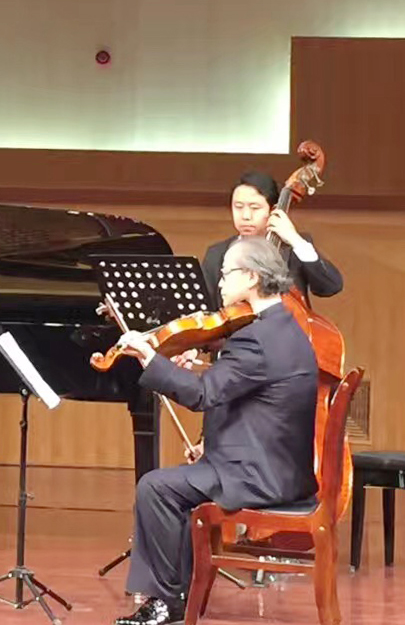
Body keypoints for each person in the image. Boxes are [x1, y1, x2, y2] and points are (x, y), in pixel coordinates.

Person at [111, 238, 319, 624]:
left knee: (155, 487)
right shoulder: (285, 326)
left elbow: (203, 395)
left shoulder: (255, 338)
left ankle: (165, 602)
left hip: (258, 475)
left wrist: (151, 358)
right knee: (176, 485)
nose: (219, 283)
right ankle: (179, 595)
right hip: (283, 470)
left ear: (252, 277)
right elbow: (249, 392)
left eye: (226, 274)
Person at [201, 170, 342, 309]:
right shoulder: (216, 254)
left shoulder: (294, 247)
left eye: (255, 208)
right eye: (238, 207)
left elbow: (330, 287)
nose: (245, 216)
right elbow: (206, 308)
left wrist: (295, 239)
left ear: (273, 210)